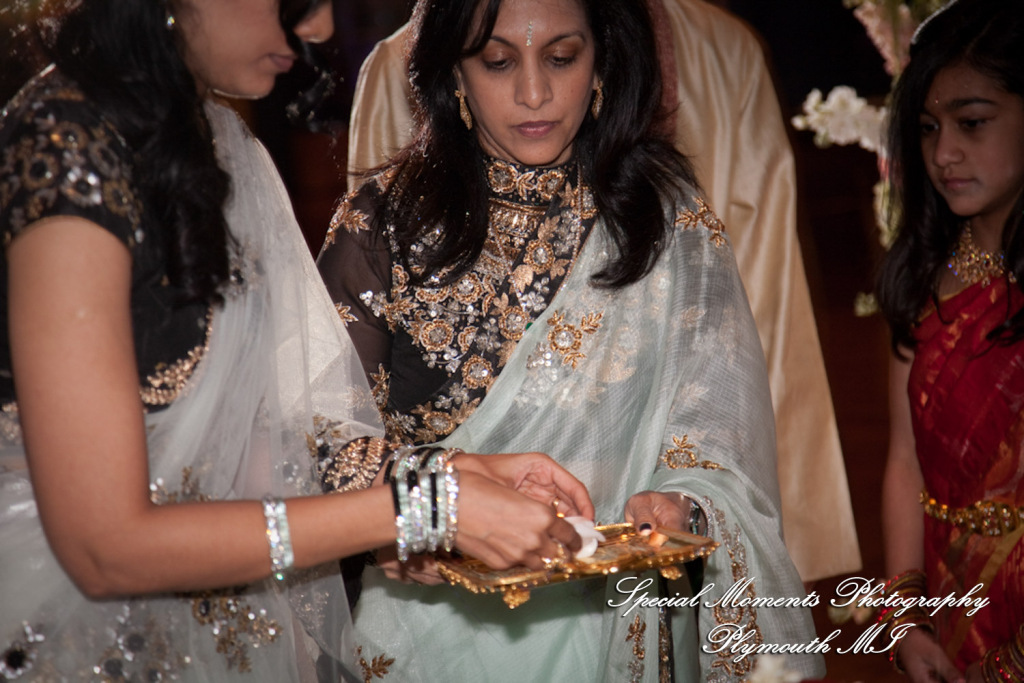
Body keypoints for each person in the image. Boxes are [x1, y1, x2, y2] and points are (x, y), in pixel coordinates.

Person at [0, 2, 593, 681]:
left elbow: (270, 440)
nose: (317, 30)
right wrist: (425, 509)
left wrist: (446, 476)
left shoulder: (219, 142)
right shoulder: (63, 144)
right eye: (302, 0)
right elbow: (103, 548)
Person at [316, 0, 823, 680]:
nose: (533, 93)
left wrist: (683, 504)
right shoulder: (381, 225)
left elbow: (718, 440)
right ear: (454, 74)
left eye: (562, 57)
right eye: (497, 61)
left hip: (612, 618)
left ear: (604, 60)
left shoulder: (663, 216)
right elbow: (316, 443)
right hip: (425, 636)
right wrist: (431, 513)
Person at [876, 1, 1024, 681]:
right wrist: (907, 614)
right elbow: (905, 458)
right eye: (930, 128)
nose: (944, 153)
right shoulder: (923, 273)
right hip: (946, 591)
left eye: (972, 123)